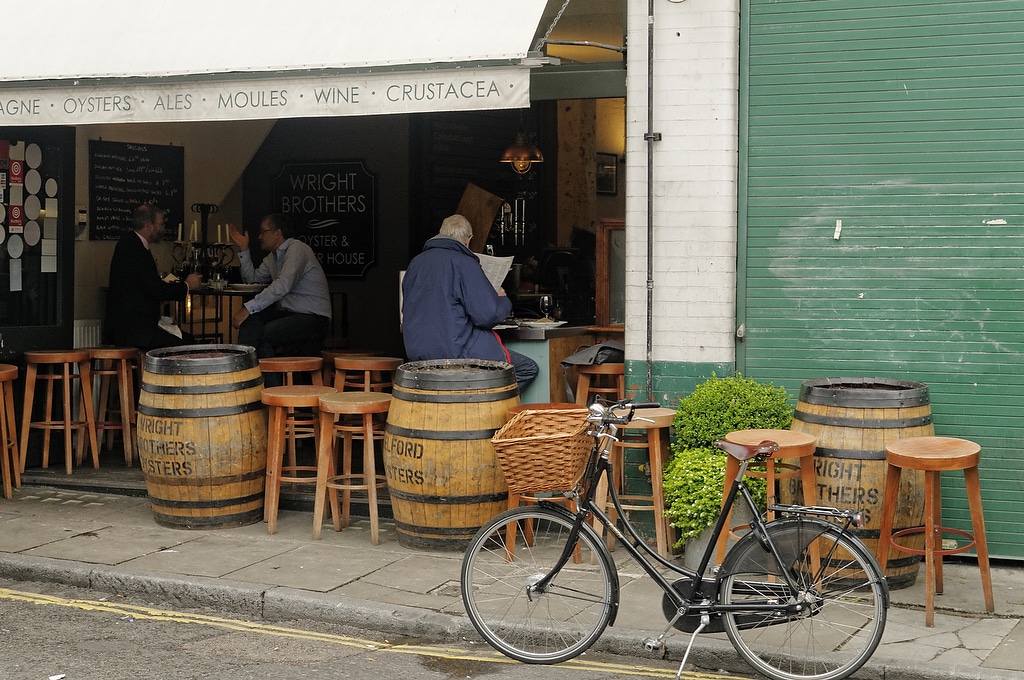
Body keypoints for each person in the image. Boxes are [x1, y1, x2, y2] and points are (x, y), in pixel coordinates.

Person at [401, 214, 538, 395]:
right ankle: (482, 414)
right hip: (457, 353)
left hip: (418, 353)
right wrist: (502, 299)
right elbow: (487, 316)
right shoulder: (464, 263)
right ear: (468, 240)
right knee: (527, 368)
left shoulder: (415, 264)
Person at [228, 214, 332, 365]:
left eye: (263, 231)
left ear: (277, 233)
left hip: (313, 318)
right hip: (288, 314)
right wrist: (244, 249)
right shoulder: (273, 257)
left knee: (263, 334)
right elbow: (253, 281)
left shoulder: (297, 249)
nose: (259, 237)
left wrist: (247, 308)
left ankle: (269, 384)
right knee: (251, 322)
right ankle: (243, 371)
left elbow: (283, 284)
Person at [104, 204, 201, 350]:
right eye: (161, 225)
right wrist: (186, 286)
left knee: (185, 339)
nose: (163, 229)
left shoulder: (130, 243)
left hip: (129, 328)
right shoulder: (135, 249)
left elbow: (143, 286)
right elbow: (154, 289)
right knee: (187, 345)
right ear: (149, 225)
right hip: (135, 331)